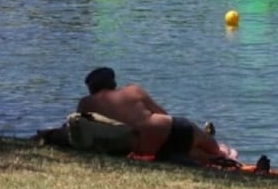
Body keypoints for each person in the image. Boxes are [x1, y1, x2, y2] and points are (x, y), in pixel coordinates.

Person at [76, 67, 234, 163]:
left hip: (147, 149)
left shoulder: (85, 104)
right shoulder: (132, 91)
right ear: (113, 83)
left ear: (90, 89)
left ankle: (213, 157)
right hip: (170, 131)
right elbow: (163, 113)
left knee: (194, 153)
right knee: (213, 148)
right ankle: (222, 153)